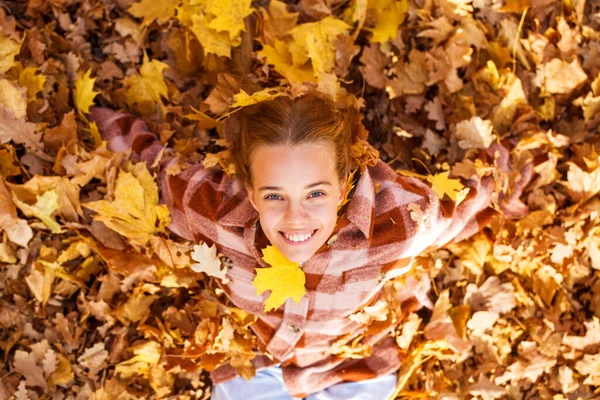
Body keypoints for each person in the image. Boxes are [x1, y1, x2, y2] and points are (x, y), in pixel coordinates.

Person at [90, 93, 500, 399]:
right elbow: (152, 165)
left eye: (315, 194)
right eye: (273, 196)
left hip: (354, 361)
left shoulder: (399, 223)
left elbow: (469, 202)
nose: (295, 218)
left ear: (342, 186)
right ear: (250, 192)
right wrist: (98, 116)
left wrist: (510, 162)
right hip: (256, 359)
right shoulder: (214, 212)